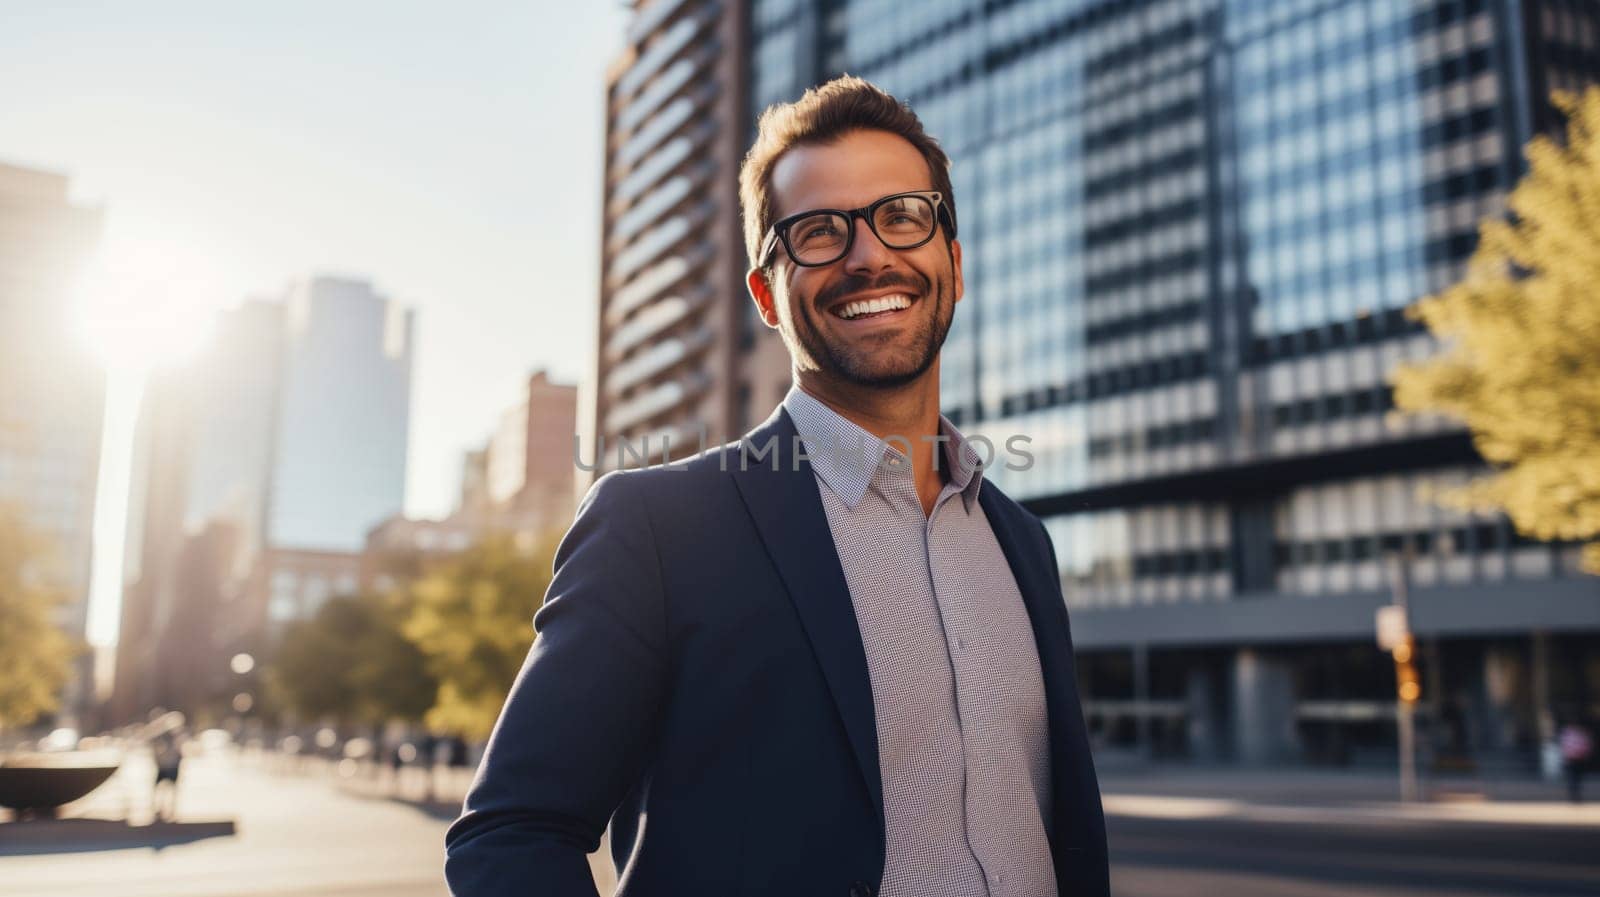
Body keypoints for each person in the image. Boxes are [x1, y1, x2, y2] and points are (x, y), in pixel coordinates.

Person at [445, 76, 1108, 897]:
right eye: (820, 232)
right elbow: (511, 833)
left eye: (903, 216)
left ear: (954, 263)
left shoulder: (1023, 544)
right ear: (766, 293)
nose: (871, 254)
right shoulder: (660, 529)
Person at [151, 731, 183, 822]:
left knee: (171, 790)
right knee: (160, 790)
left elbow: (180, 754)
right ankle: (160, 809)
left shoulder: (177, 740)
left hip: (171, 767)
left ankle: (170, 810)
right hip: (164, 767)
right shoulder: (162, 741)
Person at [1559, 720, 1592, 803]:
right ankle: (1575, 795)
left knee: (1576, 778)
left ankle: (1575, 795)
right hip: (1573, 758)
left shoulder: (1575, 734)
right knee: (1574, 778)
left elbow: (1585, 745)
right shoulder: (1571, 734)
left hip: (1576, 758)